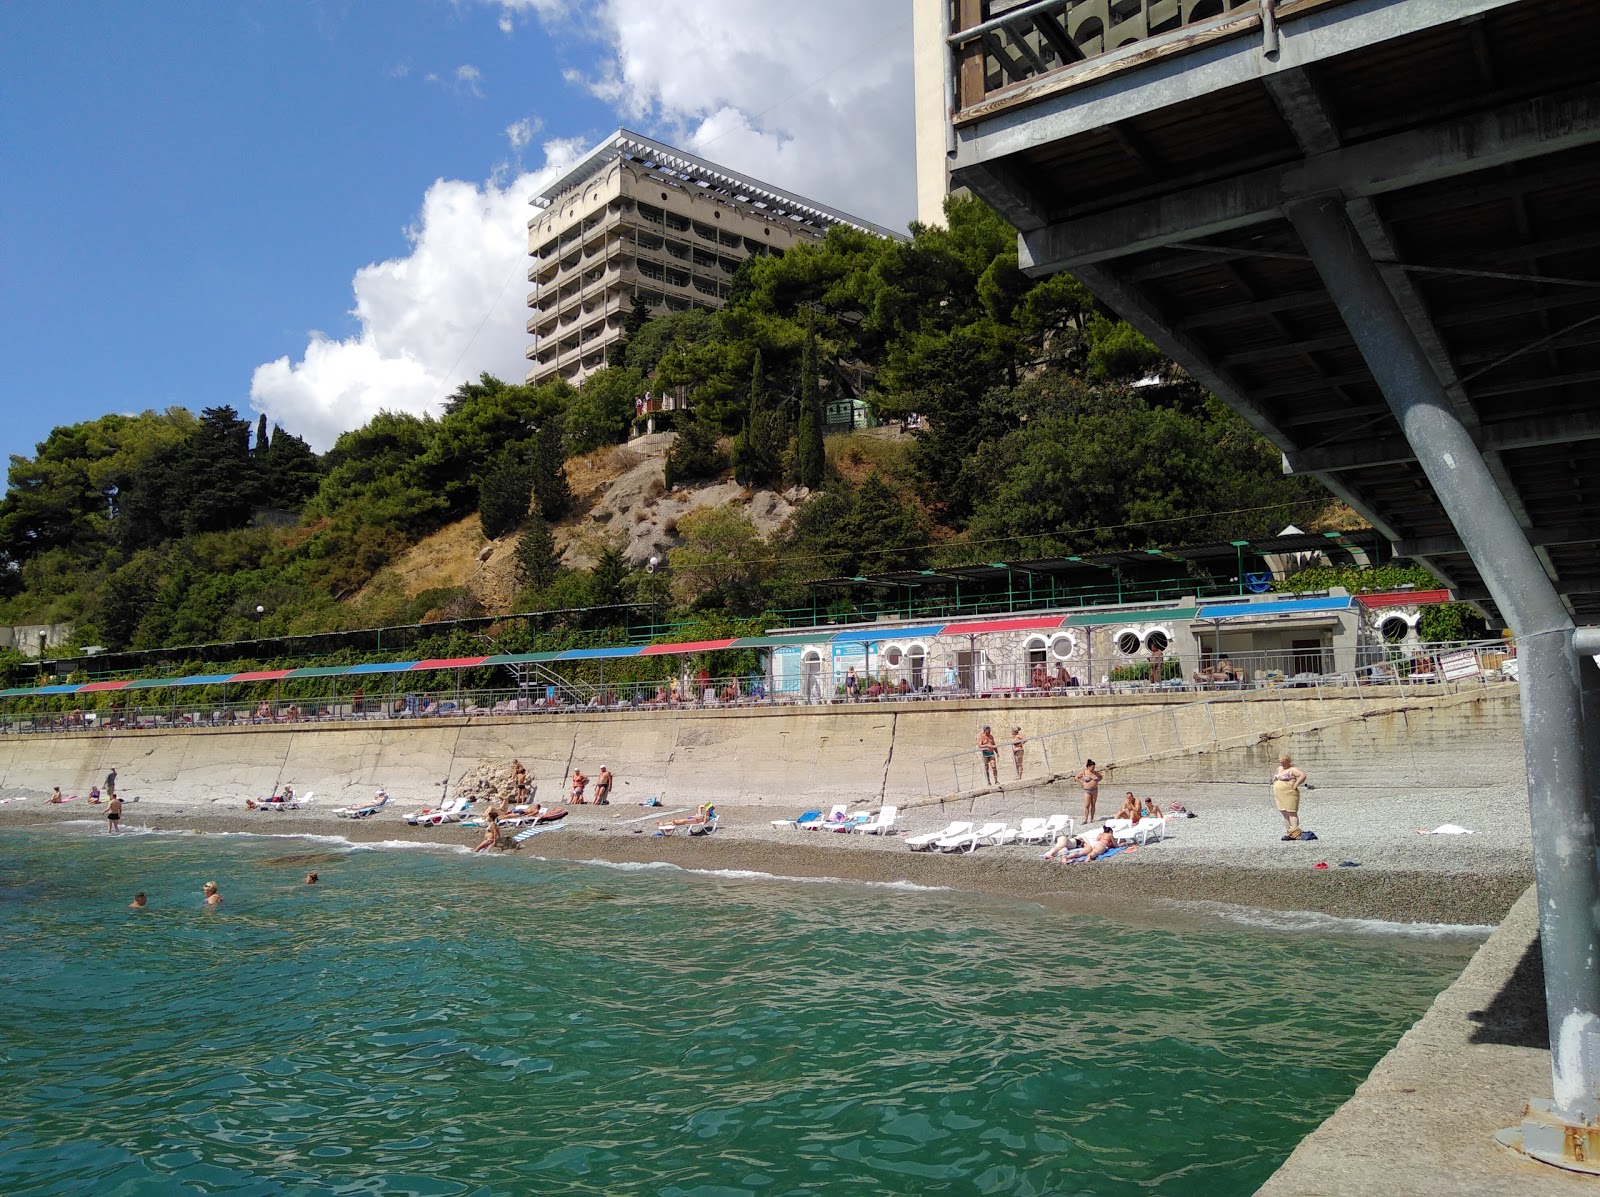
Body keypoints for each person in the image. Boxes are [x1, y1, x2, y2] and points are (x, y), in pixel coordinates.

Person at [1273, 754, 1308, 840]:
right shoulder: (1279, 769)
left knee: (1291, 812)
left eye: (1284, 763)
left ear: (1288, 762)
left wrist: (1295, 784)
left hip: (1289, 793)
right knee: (1284, 812)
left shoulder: (1292, 769)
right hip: (1280, 794)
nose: (1282, 764)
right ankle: (1289, 833)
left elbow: (1303, 775)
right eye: (1281, 762)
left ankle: (1295, 832)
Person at [1075, 759, 1104, 825]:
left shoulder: (1095, 772)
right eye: (1092, 767)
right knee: (1087, 805)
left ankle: (1092, 818)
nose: (1093, 768)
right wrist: (1082, 783)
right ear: (1088, 766)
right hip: (1087, 790)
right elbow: (1076, 777)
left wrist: (1097, 781)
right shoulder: (1084, 772)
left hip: (1095, 790)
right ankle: (1085, 819)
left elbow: (1101, 777)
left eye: (1094, 767)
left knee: (1093, 804)